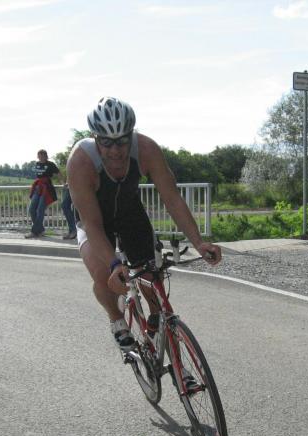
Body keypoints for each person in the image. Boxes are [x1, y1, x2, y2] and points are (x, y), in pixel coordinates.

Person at [67, 96, 221, 351]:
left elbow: (172, 199)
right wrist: (114, 263)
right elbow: (92, 224)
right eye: (106, 142)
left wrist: (198, 242)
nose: (115, 150)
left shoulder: (146, 149)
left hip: (130, 213)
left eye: (122, 141)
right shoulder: (81, 161)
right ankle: (117, 320)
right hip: (94, 220)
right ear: (95, 138)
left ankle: (156, 323)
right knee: (104, 275)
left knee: (151, 274)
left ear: (132, 134)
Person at [26, 149, 59, 238]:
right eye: (39, 155)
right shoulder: (37, 164)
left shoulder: (50, 164)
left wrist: (64, 182)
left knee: (40, 210)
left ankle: (34, 232)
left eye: (42, 155)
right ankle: (40, 230)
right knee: (32, 209)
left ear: (46, 156)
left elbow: (58, 173)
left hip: (46, 188)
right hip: (38, 188)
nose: (40, 157)